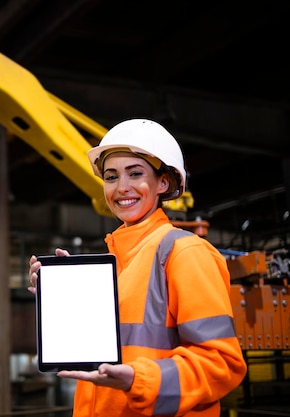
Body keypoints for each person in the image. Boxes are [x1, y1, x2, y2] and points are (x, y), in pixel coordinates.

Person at [28, 119, 247, 416]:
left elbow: (221, 364)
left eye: (135, 173)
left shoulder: (184, 251)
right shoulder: (114, 264)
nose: (122, 188)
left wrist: (140, 380)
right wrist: (66, 302)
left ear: (164, 183)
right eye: (111, 176)